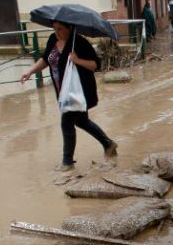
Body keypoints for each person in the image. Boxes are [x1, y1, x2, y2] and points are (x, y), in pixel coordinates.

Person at [20, 21, 118, 171]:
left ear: (70, 27)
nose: (57, 32)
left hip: (79, 91)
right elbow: (46, 59)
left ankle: (67, 163)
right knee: (82, 121)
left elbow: (95, 65)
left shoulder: (79, 42)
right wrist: (30, 72)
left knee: (67, 122)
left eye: (60, 29)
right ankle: (108, 144)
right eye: (55, 29)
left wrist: (77, 60)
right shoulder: (53, 39)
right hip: (63, 91)